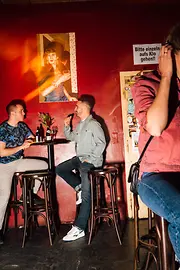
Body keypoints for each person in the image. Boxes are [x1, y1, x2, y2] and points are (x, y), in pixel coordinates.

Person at [131, 23, 180, 266]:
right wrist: (168, 77)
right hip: (155, 175)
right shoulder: (146, 84)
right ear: (169, 54)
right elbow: (156, 127)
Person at [56, 94, 106, 241]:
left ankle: (79, 228)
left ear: (84, 107)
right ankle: (78, 187)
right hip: (81, 159)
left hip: (91, 162)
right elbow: (71, 137)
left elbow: (101, 143)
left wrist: (89, 158)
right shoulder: (81, 124)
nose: (75, 109)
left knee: (86, 194)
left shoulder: (94, 124)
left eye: (77, 106)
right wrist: (66, 125)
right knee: (60, 169)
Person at [0, 99, 48, 244]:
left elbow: (31, 137)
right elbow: (1, 153)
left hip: (19, 162)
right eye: (22, 111)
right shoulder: (3, 129)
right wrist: (21, 147)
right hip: (4, 165)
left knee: (43, 166)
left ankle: (28, 194)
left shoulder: (22, 126)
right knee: (4, 197)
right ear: (13, 113)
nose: (24, 112)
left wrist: (31, 140)